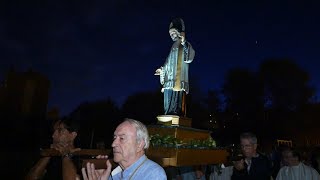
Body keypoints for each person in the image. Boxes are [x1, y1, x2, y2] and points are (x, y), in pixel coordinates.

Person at [81, 118, 167, 180]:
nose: (113, 144)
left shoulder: (153, 174)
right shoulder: (115, 173)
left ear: (139, 144)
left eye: (122, 138)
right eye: (114, 138)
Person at [155, 17, 195, 117]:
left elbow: (189, 57)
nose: (172, 36)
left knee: (176, 103)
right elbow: (168, 62)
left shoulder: (184, 44)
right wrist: (162, 70)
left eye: (173, 33)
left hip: (178, 78)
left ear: (178, 33)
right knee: (167, 102)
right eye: (170, 34)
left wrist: (184, 41)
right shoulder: (173, 46)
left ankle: (176, 113)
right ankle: (168, 114)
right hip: (169, 79)